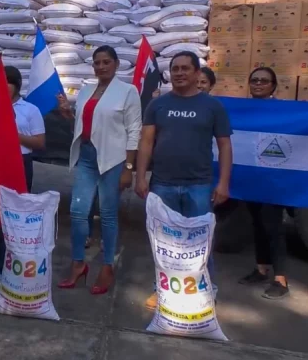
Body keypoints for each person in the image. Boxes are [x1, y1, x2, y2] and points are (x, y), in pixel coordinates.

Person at [134, 51, 233, 310]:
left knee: (200, 242)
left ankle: (206, 290)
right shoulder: (158, 105)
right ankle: (162, 288)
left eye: (184, 68)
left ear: (197, 73)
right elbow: (145, 142)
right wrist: (140, 176)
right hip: (162, 184)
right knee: (163, 243)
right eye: (175, 69)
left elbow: (224, 146)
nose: (179, 73)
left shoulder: (213, 107)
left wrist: (223, 183)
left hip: (198, 184)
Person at [56, 46, 142, 294]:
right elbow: (88, 124)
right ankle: (78, 263)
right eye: (97, 63)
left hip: (113, 159)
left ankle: (106, 267)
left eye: (106, 62)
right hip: (87, 156)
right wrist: (69, 115)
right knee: (77, 211)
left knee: (108, 214)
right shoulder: (85, 91)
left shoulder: (127, 91)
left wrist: (128, 167)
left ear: (116, 64)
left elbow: (134, 130)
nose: (101, 66)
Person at [0, 65, 45, 284]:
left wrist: (15, 135)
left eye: (6, 83)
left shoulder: (30, 109)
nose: (2, 88)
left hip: (19, 162)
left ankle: (16, 260)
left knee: (17, 210)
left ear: (16, 85)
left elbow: (39, 142)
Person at [238, 67, 290, 300]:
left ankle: (281, 279)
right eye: (254, 80)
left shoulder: (282, 112)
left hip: (273, 178)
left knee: (273, 226)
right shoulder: (243, 110)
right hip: (251, 177)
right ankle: (261, 269)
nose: (258, 83)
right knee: (257, 223)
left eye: (264, 81)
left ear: (273, 86)